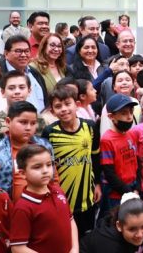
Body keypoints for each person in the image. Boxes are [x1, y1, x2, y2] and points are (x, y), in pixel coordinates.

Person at [41, 87, 101, 235]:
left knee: (86, 236)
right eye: (58, 106)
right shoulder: (49, 132)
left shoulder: (90, 127)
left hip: (87, 195)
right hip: (61, 197)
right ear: (52, 111)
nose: (64, 109)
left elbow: (95, 158)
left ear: (77, 104)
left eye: (68, 104)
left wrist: (98, 183)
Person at [9, 144, 79, 253]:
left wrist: (75, 248)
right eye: (37, 167)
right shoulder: (23, 208)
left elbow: (71, 220)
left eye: (49, 164)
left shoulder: (58, 191)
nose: (45, 170)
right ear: (23, 173)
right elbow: (17, 248)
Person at [0, 101, 53, 201]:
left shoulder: (45, 146)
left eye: (33, 123)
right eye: (23, 122)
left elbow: (54, 180)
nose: (28, 128)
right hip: (5, 208)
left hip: (42, 207)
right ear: (8, 122)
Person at [101, 94, 140, 209]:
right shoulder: (107, 140)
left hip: (133, 187)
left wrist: (137, 187)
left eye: (131, 112)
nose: (129, 117)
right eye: (123, 113)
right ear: (111, 116)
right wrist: (127, 191)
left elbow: (136, 161)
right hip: (116, 193)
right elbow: (109, 172)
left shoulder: (131, 134)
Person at [79, 192, 143, 253]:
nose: (140, 235)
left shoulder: (140, 224)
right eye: (132, 229)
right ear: (119, 226)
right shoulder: (110, 246)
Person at [0, 35, 48, 113]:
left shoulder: (34, 73)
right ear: (6, 54)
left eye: (26, 51)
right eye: (18, 51)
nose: (23, 55)